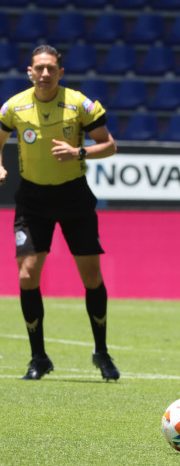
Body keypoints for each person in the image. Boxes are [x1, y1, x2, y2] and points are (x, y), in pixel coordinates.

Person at [0, 44, 119, 381]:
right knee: (27, 275)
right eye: (39, 68)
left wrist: (79, 151)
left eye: (51, 68)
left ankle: (101, 352)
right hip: (32, 199)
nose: (45, 73)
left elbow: (109, 145)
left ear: (60, 72)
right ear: (29, 71)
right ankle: (38, 358)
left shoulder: (79, 104)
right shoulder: (13, 107)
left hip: (73, 196)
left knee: (91, 276)